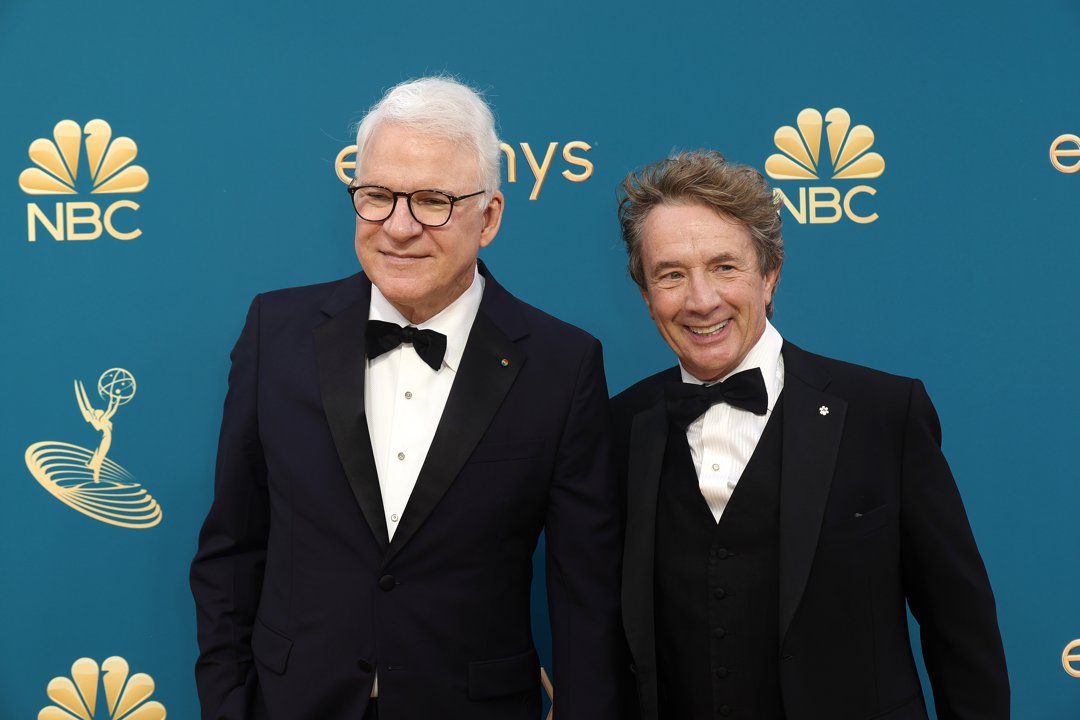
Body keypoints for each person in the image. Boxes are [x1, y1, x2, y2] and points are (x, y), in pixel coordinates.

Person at [190, 76, 623, 720]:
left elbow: (586, 600)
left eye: (432, 201)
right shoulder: (273, 334)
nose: (399, 227)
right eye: (378, 196)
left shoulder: (561, 365)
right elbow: (232, 550)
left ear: (491, 216)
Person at [611, 150, 1009, 720]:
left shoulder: (884, 414)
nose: (701, 300)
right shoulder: (619, 427)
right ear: (647, 296)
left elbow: (960, 624)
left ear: (770, 275)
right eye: (671, 275)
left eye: (725, 267)